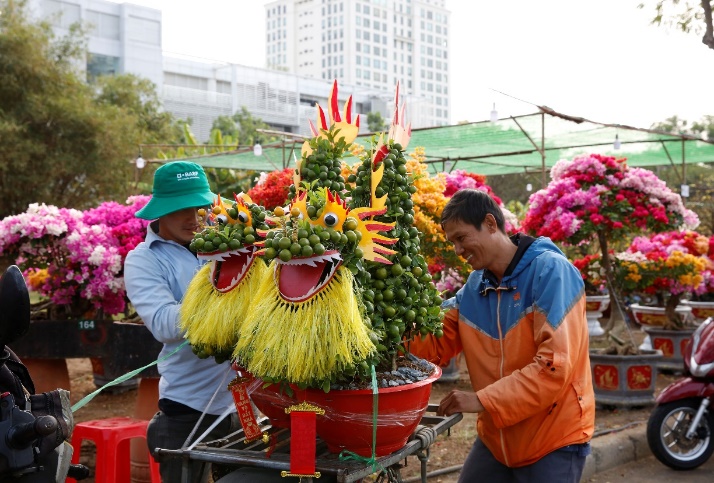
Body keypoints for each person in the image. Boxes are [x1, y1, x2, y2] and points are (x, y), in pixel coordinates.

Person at [411, 189, 595, 483]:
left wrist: (482, 400)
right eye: (452, 242)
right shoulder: (474, 288)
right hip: (497, 440)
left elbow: (554, 366)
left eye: (461, 238)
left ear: (490, 223)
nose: (457, 250)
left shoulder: (551, 272)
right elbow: (434, 342)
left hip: (553, 439)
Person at [124, 161, 238, 483]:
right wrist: (225, 298)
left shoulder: (224, 244)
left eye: (200, 207)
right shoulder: (144, 259)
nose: (194, 218)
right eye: (181, 208)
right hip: (188, 409)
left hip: (241, 403)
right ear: (161, 210)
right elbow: (163, 323)